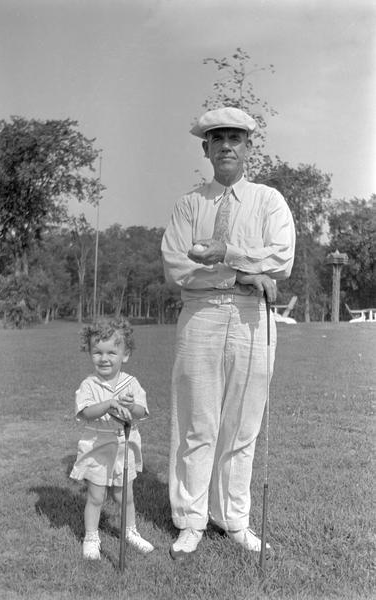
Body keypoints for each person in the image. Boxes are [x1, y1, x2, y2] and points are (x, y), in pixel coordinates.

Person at [161, 106, 295, 560]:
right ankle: (191, 520)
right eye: (217, 139)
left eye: (235, 138)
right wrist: (241, 271)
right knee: (197, 423)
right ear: (206, 148)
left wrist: (227, 253)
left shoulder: (268, 201)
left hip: (252, 320)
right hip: (200, 316)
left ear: (248, 147)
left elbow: (281, 260)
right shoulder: (189, 204)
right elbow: (177, 269)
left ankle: (233, 519)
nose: (226, 146)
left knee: (242, 424)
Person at [70, 317, 154, 560]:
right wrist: (107, 404)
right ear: (90, 353)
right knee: (96, 496)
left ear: (125, 355)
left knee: (124, 495)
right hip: (98, 445)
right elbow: (85, 413)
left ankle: (130, 531)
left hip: (124, 444)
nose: (104, 358)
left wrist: (132, 406)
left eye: (111, 352)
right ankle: (91, 537)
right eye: (97, 352)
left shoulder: (131, 383)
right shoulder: (89, 384)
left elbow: (141, 412)